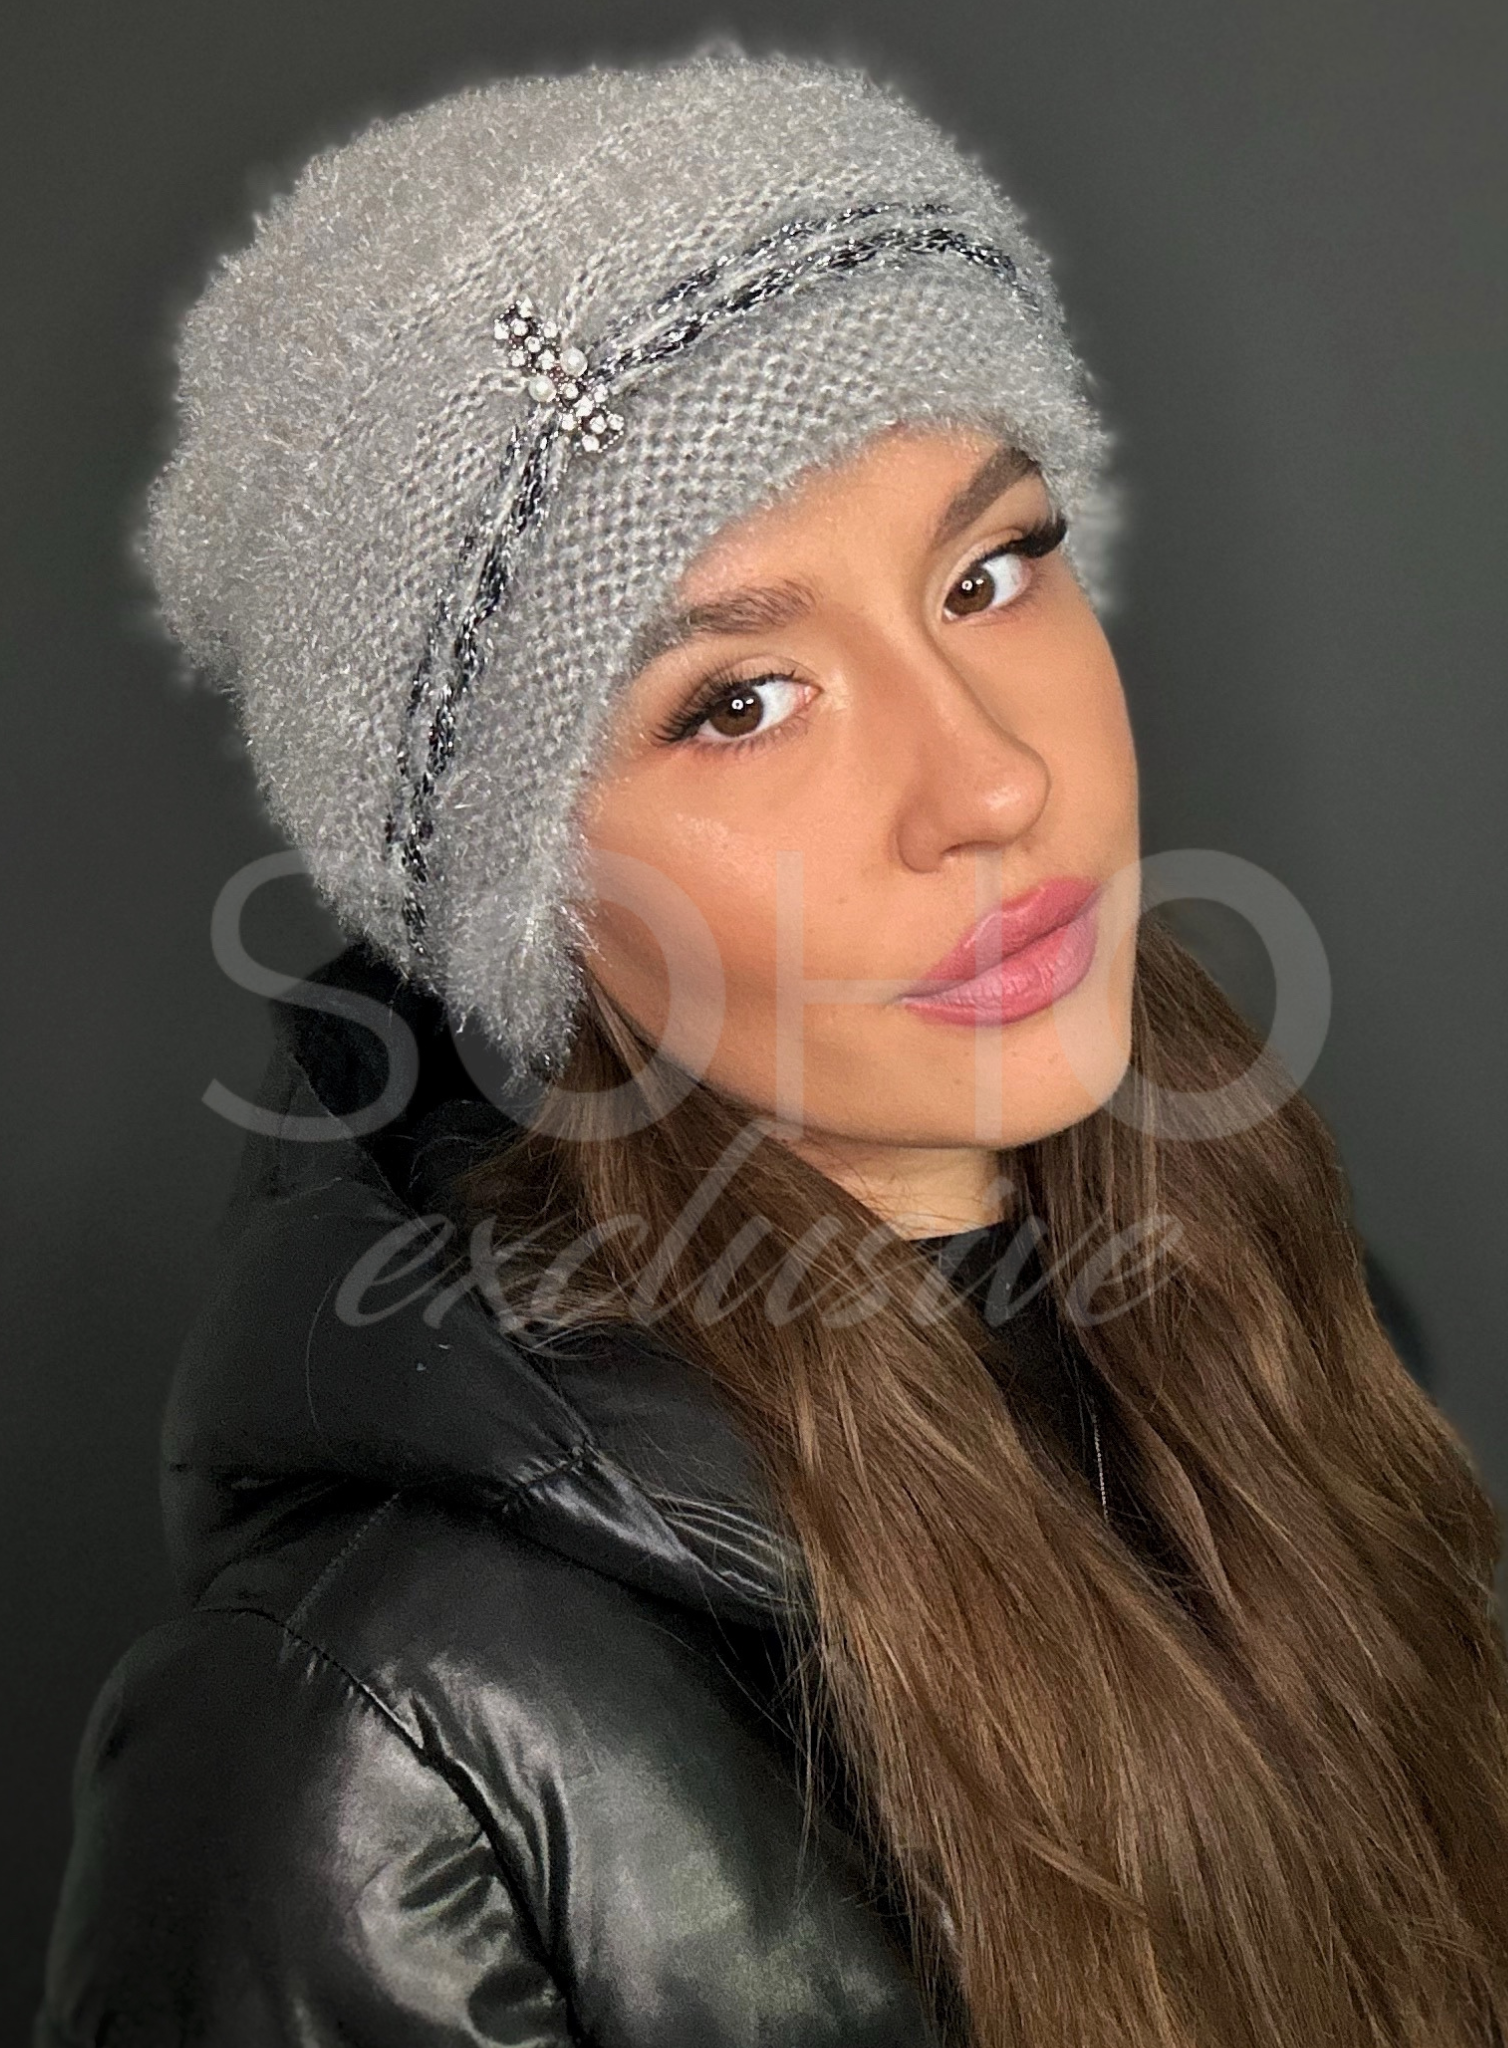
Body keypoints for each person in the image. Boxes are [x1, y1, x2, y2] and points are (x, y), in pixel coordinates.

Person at [36, 39, 1508, 2048]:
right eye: (737, 702)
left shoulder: (1277, 1324)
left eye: (989, 573)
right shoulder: (372, 1758)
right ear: (525, 897)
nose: (987, 783)